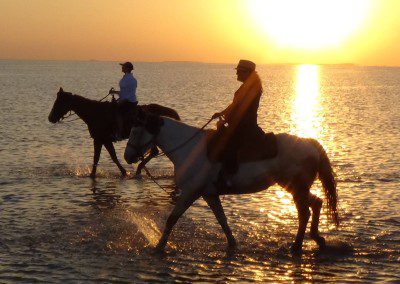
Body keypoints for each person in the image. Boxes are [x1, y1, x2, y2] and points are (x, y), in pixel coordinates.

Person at [211, 59, 263, 190]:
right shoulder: (247, 86)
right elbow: (235, 105)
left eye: (240, 71)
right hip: (239, 123)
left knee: (228, 145)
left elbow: (242, 108)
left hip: (246, 126)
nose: (237, 74)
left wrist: (227, 118)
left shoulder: (253, 88)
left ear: (247, 73)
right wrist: (221, 113)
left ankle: (228, 179)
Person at [109, 62, 138, 140]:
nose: (122, 68)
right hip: (126, 100)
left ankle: (119, 133)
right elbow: (124, 92)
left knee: (116, 112)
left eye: (123, 66)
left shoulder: (130, 79)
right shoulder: (127, 78)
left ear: (127, 68)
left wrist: (122, 101)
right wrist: (114, 92)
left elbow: (129, 94)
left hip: (128, 102)